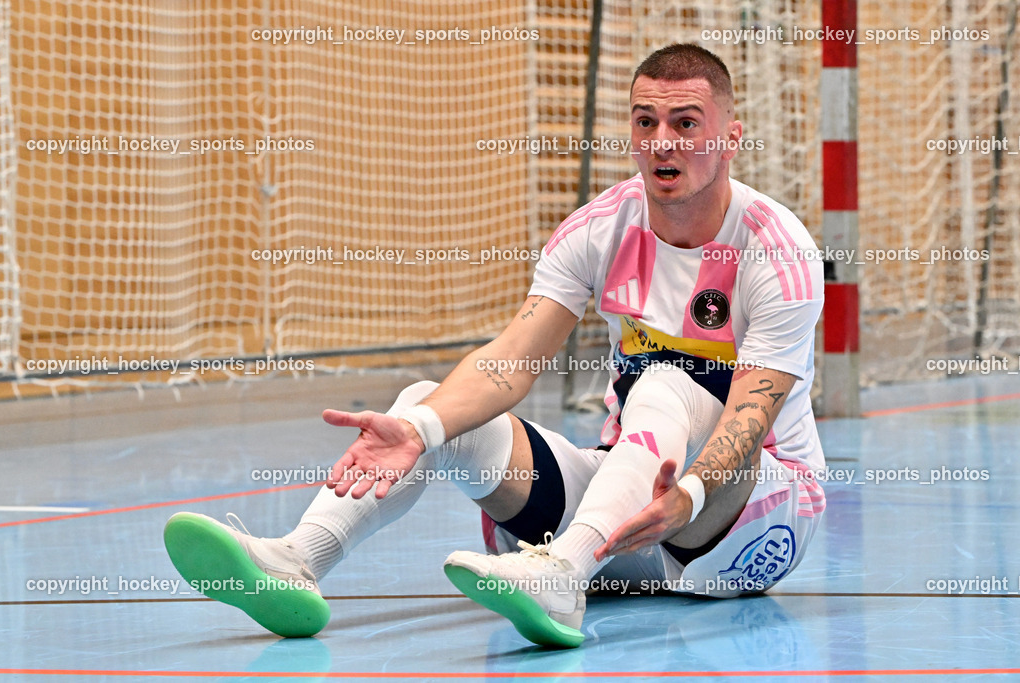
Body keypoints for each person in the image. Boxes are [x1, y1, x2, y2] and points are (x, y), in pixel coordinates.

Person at [164, 42, 826, 648]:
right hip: (625, 510)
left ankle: (561, 574)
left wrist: (687, 496)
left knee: (662, 385)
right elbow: (509, 362)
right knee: (428, 404)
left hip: (749, 514)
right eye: (645, 122)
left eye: (686, 123)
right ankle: (298, 557)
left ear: (731, 136)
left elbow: (750, 415)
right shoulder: (598, 229)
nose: (662, 143)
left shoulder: (775, 248)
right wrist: (420, 428)